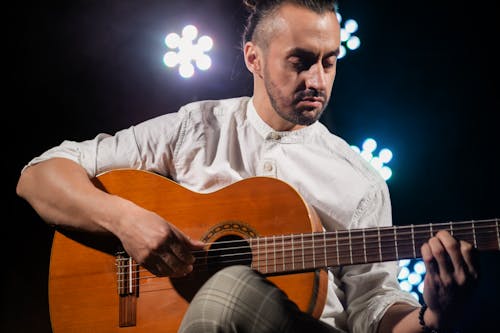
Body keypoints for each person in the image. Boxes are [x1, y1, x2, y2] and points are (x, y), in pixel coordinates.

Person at [16, 1, 479, 332]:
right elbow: (38, 177)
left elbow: (373, 311)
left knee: (232, 287)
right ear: (253, 58)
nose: (317, 80)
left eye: (330, 62)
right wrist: (127, 221)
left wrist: (434, 316)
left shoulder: (360, 179)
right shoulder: (195, 128)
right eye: (299, 62)